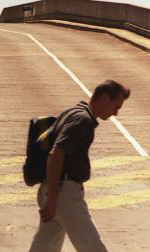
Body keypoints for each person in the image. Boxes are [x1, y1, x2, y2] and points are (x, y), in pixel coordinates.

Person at [29, 80, 130, 252]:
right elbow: (56, 154)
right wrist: (54, 198)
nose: (116, 113)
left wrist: (50, 195)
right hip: (64, 193)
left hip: (53, 189)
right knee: (92, 247)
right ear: (105, 98)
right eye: (116, 106)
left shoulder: (73, 111)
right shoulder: (82, 120)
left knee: (44, 247)